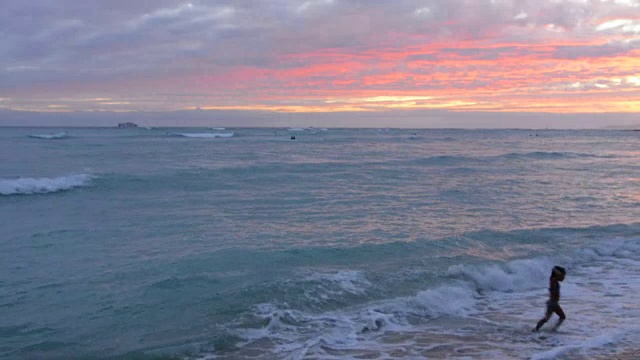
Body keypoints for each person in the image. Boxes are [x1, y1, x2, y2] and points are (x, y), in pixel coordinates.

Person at [533, 266, 566, 332]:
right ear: (558, 275)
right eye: (563, 276)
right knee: (562, 317)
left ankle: (537, 329)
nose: (564, 278)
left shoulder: (554, 281)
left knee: (547, 318)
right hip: (553, 303)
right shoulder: (553, 281)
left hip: (552, 303)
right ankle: (553, 329)